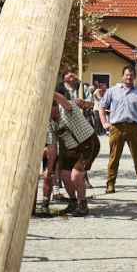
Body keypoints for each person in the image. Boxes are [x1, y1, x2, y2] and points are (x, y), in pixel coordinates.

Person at [94, 66, 137, 194]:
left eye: (131, 75)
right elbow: (101, 105)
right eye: (126, 75)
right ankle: (110, 184)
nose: (129, 77)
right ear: (122, 76)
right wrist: (105, 123)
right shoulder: (113, 90)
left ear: (134, 77)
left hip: (134, 128)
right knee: (114, 157)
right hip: (117, 127)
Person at [52, 82, 100, 216]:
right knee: (64, 175)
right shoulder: (50, 121)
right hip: (72, 148)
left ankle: (83, 204)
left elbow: (64, 100)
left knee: (75, 177)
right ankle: (73, 201)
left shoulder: (67, 108)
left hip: (88, 144)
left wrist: (48, 90)